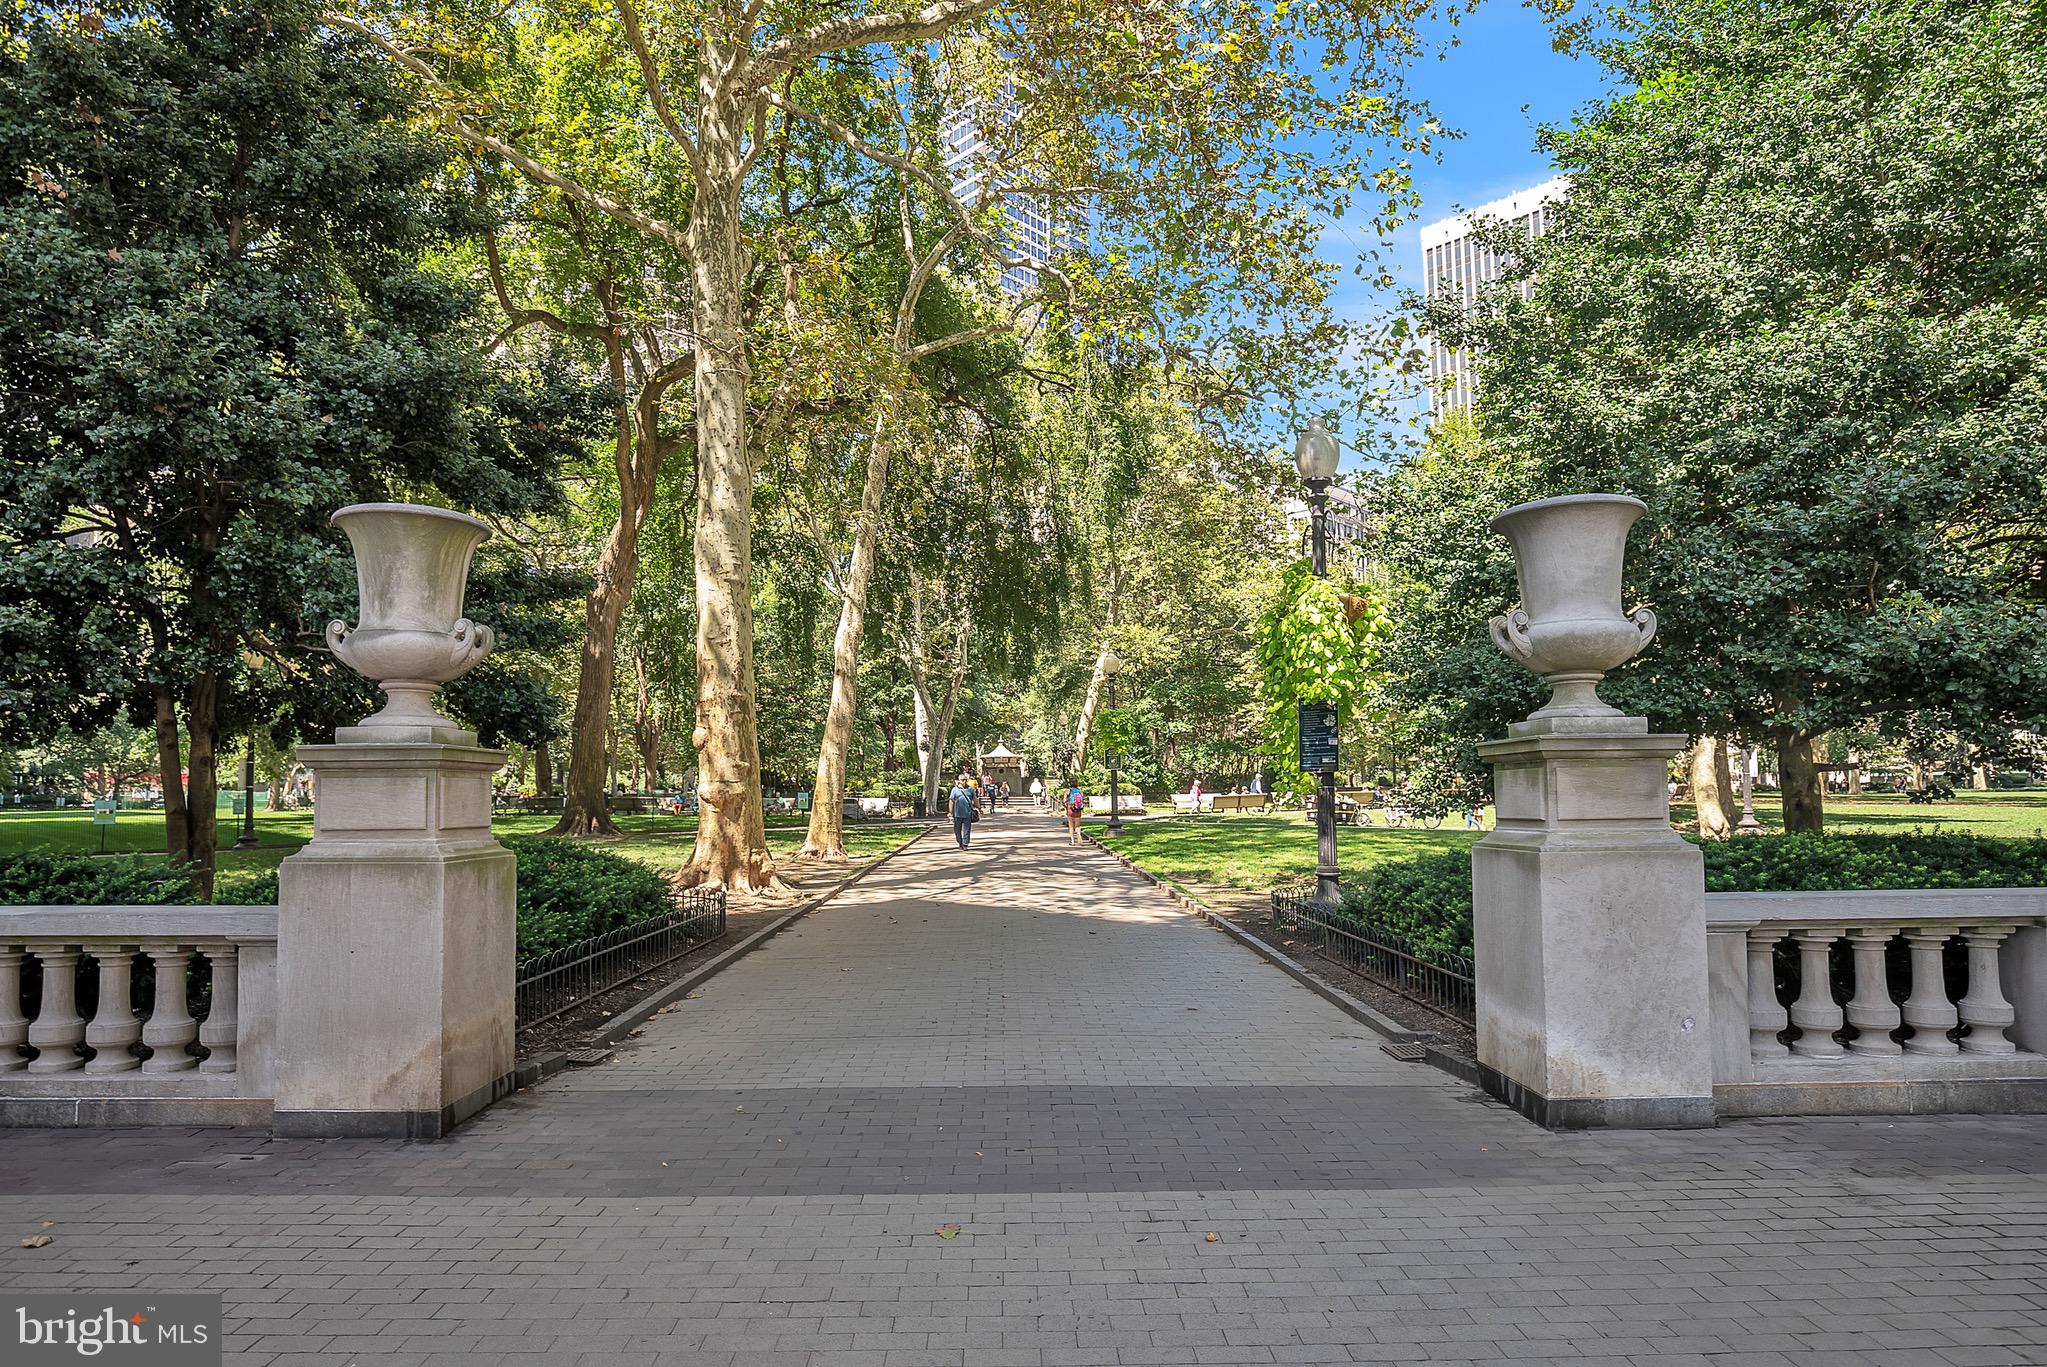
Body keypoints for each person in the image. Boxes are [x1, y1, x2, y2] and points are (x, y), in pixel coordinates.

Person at [949, 771, 977, 849]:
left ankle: (965, 844)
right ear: (959, 781)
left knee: (967, 830)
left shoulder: (970, 789)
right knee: (957, 830)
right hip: (957, 813)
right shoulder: (954, 790)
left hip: (968, 813)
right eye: (962, 780)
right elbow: (951, 801)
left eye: (965, 780)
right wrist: (950, 812)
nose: (964, 781)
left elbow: (975, 798)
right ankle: (960, 841)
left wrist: (979, 807)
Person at [1064, 779, 1086, 846]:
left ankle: (1072, 841)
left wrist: (1066, 804)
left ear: (1070, 784)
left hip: (1070, 809)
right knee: (1077, 826)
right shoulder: (1079, 791)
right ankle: (1079, 839)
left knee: (1071, 826)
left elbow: (1064, 800)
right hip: (1078, 809)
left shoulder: (1068, 791)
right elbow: (1082, 799)